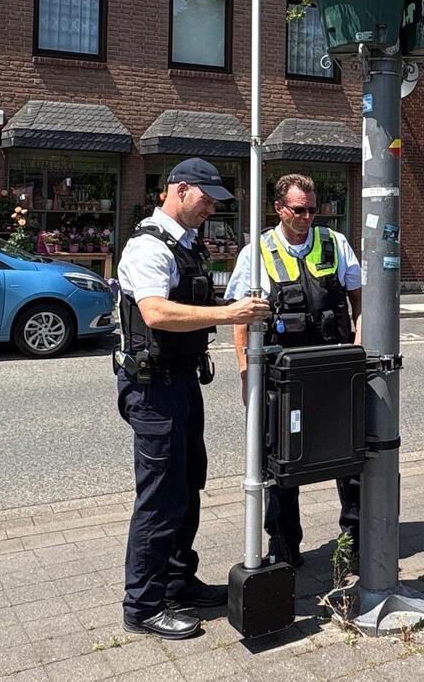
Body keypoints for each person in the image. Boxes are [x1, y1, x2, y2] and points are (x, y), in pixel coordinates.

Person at [116, 157, 270, 640]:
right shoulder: (149, 246)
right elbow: (156, 313)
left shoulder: (185, 244)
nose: (210, 210)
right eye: (205, 200)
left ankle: (178, 583)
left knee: (186, 488)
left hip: (180, 381)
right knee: (160, 497)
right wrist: (229, 315)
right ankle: (143, 606)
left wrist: (233, 306)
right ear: (179, 190)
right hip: (153, 388)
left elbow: (192, 304)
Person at [225, 172, 362, 569]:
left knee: (350, 457)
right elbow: (240, 318)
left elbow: (360, 299)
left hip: (334, 370)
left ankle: (355, 541)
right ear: (279, 208)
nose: (307, 217)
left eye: (312, 210)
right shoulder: (257, 252)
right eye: (299, 210)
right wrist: (246, 375)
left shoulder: (335, 243)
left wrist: (358, 349)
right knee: (282, 463)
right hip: (284, 377)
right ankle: (284, 547)